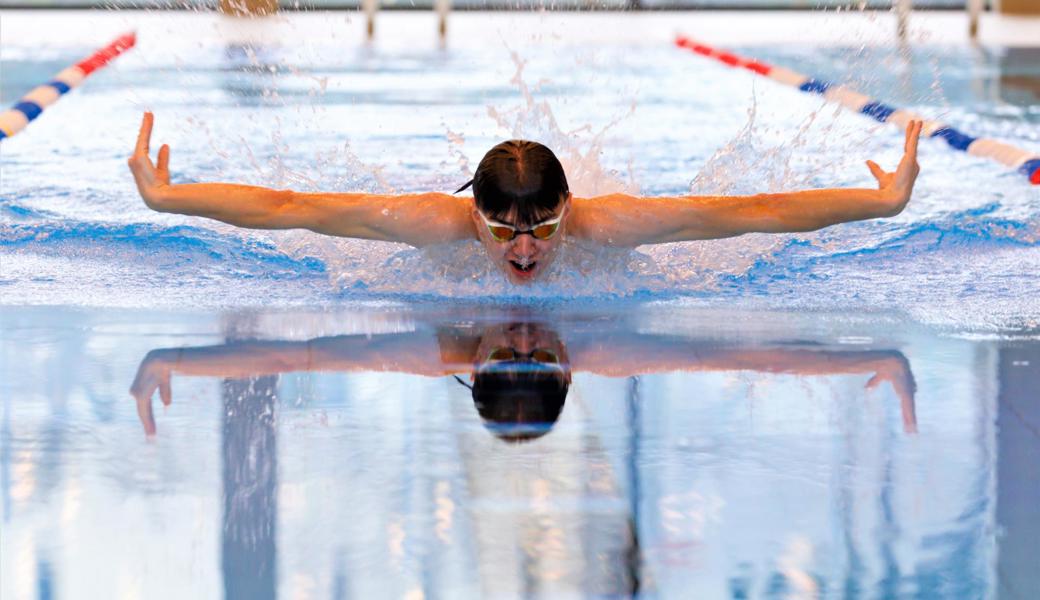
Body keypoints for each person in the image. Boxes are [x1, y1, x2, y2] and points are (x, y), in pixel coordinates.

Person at [129, 113, 922, 285]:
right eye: (504, 231)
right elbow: (289, 205)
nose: (524, 251)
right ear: (471, 212)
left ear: (567, 209)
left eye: (543, 227)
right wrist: (170, 201)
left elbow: (757, 214)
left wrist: (879, 204)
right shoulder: (429, 223)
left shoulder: (608, 227)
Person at [129, 319, 917, 438]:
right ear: (571, 371)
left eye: (513, 358)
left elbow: (292, 358)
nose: (523, 339)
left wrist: (174, 362)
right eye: (535, 358)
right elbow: (751, 359)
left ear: (470, 371)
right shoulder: (604, 349)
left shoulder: (438, 347)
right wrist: (876, 359)